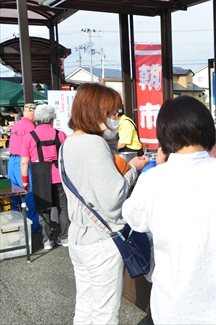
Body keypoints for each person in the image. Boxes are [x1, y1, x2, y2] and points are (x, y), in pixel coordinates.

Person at [122, 96, 216, 324]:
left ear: (165, 136)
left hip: (174, 309)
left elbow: (134, 220)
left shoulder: (154, 179)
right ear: (208, 130)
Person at [59, 83, 149, 324]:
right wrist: (131, 170)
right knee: (105, 313)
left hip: (79, 236)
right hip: (102, 240)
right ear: (95, 112)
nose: (116, 118)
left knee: (85, 306)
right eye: (112, 113)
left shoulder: (68, 143)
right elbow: (113, 199)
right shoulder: (93, 144)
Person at [20, 105, 69, 250]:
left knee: (43, 208)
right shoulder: (60, 135)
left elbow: (24, 161)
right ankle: (65, 237)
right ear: (52, 119)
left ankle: (47, 240)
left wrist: (25, 181)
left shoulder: (30, 136)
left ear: (37, 118)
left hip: (39, 175)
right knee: (63, 208)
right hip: (59, 175)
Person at [7, 103, 39, 233]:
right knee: (28, 192)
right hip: (22, 161)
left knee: (14, 194)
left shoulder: (17, 124)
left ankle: (15, 225)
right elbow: (33, 147)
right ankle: (33, 227)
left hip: (12, 161)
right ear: (33, 113)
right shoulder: (30, 126)